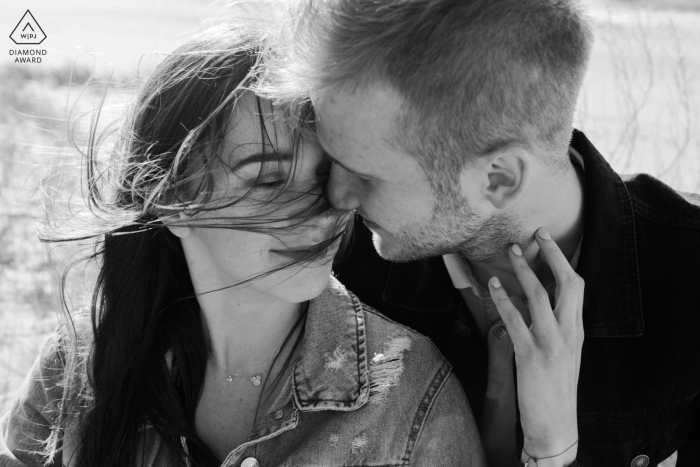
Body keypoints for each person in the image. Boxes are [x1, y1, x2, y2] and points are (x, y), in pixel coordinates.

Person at [0, 28, 489, 467]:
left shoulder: (410, 397)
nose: (319, 209)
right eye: (269, 178)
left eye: (324, 175)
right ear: (173, 201)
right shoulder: (77, 364)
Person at [265, 0, 700, 466]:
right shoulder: (337, 268)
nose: (336, 198)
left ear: (499, 179)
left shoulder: (688, 284)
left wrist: (553, 449)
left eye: (366, 176)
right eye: (333, 160)